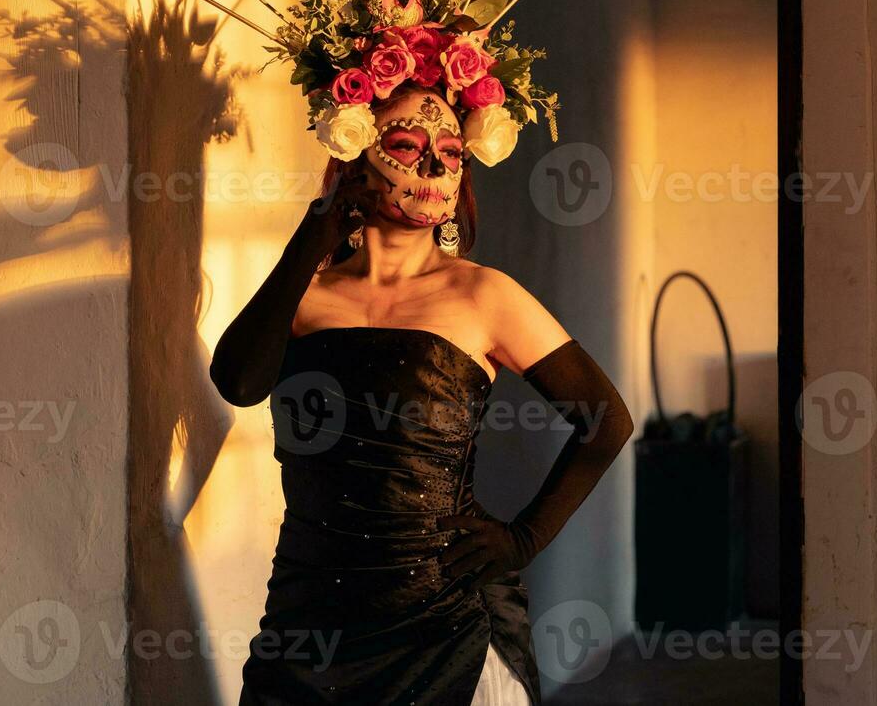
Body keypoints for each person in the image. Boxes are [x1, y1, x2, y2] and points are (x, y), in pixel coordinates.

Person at [210, 83, 634, 705]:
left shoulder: (483, 296)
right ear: (355, 154)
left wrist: (524, 539)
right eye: (407, 146)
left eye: (451, 152)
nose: (434, 167)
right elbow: (239, 383)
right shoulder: (307, 296)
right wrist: (312, 237)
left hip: (438, 625)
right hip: (308, 621)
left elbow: (607, 421)